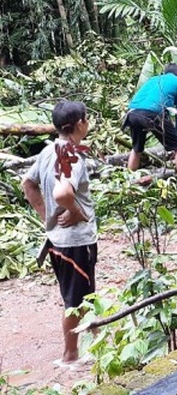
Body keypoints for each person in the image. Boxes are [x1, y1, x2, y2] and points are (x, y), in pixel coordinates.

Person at [21, 100, 98, 365]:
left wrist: (47, 218)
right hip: (75, 240)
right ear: (80, 124)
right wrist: (76, 211)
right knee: (75, 299)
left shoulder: (48, 151)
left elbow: (28, 184)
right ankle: (70, 356)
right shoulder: (72, 155)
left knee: (85, 292)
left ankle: (97, 339)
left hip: (57, 239)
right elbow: (63, 192)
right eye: (86, 119)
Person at [124, 63, 177, 189]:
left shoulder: (153, 79)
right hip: (153, 113)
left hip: (132, 113)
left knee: (137, 149)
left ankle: (127, 185)